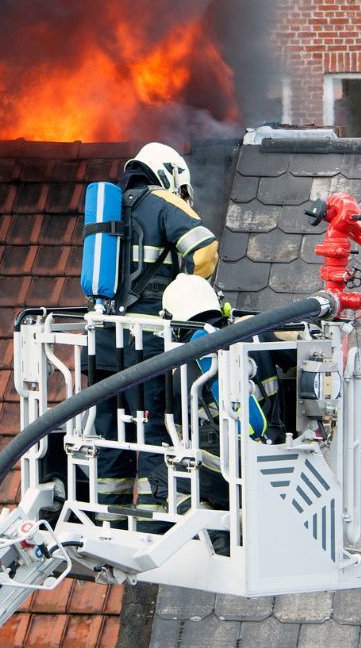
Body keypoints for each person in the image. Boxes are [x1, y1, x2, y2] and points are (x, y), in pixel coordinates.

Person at [90, 142, 217, 520]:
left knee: (111, 426)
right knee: (153, 423)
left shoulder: (112, 207)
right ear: (169, 173)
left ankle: (108, 510)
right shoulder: (161, 200)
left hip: (104, 339)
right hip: (147, 340)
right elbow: (205, 249)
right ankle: (152, 510)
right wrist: (189, 293)